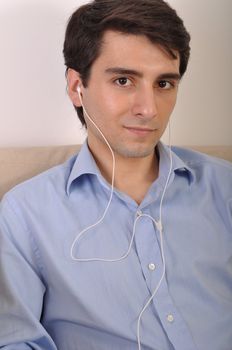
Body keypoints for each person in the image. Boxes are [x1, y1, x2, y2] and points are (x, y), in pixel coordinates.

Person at [0, 0, 231, 349]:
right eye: (124, 80)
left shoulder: (224, 188)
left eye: (164, 84)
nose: (149, 109)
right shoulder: (25, 214)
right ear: (77, 86)